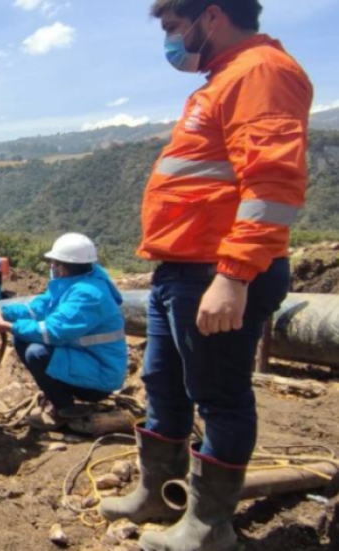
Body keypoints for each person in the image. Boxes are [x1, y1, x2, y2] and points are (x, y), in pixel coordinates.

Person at [99, 2, 312, 550]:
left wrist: (235, 275)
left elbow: (272, 185)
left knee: (219, 396)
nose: (171, 41)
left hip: (217, 273)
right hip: (180, 270)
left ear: (210, 16)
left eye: (173, 28)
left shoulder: (260, 73)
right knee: (163, 384)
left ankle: (209, 524)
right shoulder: (224, 79)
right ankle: (157, 492)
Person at [0, 234, 126, 428]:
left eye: (54, 263)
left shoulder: (88, 294)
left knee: (37, 353)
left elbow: (52, 332)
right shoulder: (72, 284)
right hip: (85, 359)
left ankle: (65, 410)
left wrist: (8, 326)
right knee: (22, 340)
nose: (52, 267)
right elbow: (37, 308)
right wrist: (4, 312)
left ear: (63, 266)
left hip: (100, 375)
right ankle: (57, 397)